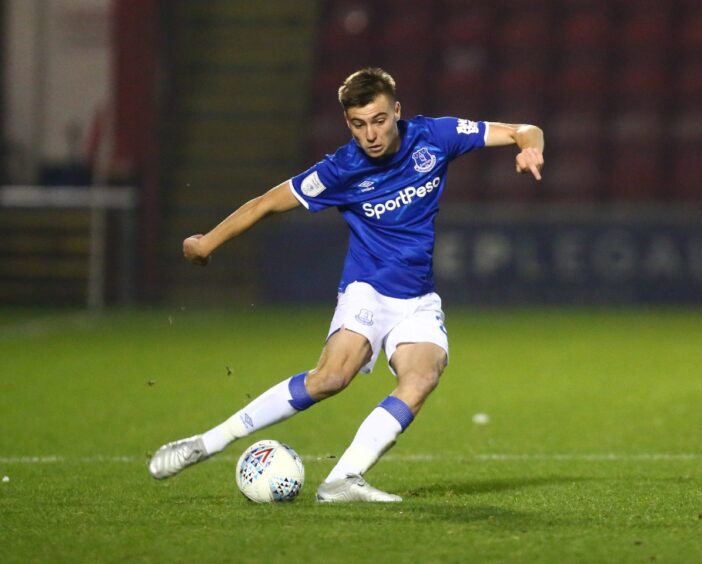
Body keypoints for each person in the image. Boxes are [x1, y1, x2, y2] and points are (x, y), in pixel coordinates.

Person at [148, 67, 544, 502]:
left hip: (418, 297)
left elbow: (525, 129)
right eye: (358, 124)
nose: (371, 134)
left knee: (422, 377)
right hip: (367, 289)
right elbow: (266, 203)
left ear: (397, 111)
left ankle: (342, 479)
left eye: (378, 120)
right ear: (348, 124)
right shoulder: (341, 169)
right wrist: (207, 242)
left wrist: (529, 149)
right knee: (332, 378)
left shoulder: (436, 137)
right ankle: (209, 442)